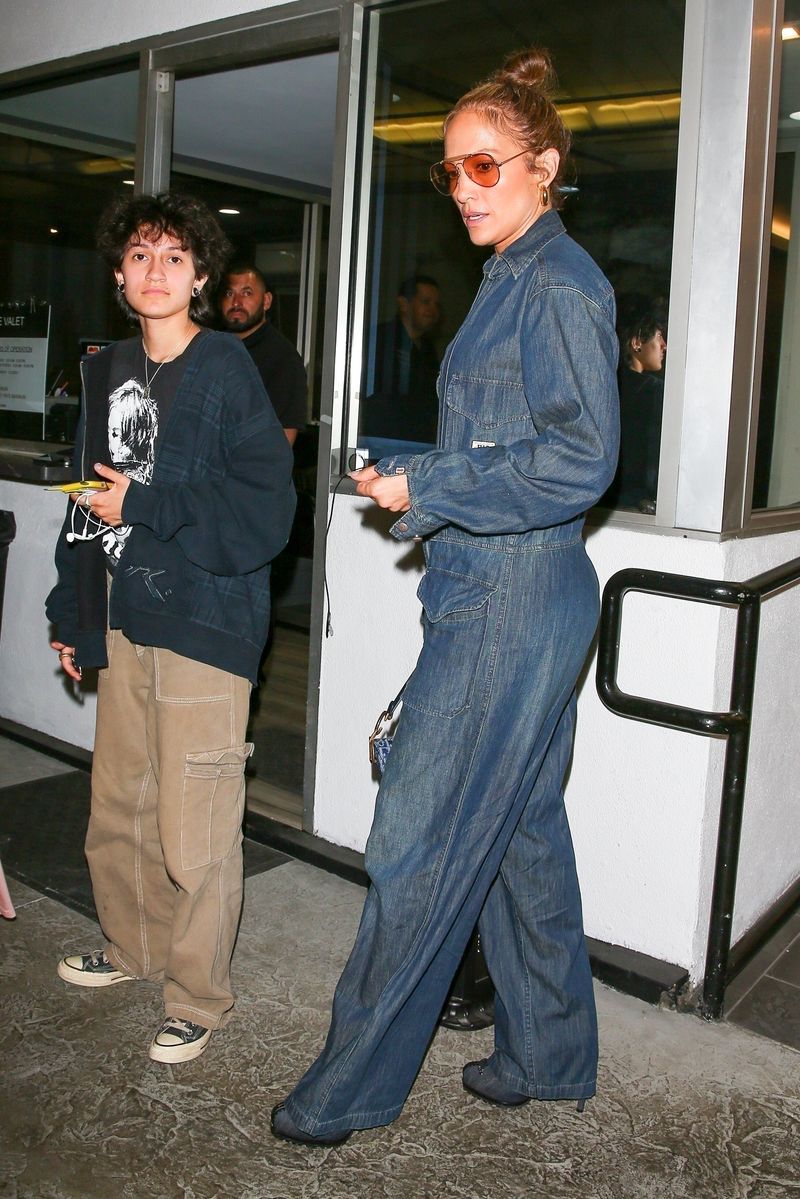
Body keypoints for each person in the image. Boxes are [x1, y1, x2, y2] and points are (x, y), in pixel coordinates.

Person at [271, 46, 619, 1145]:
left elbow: (579, 459)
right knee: (520, 830)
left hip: (512, 594)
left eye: (483, 166)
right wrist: (413, 476)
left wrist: (434, 483)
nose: (464, 187)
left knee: (414, 840)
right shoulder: (511, 279)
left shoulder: (558, 283)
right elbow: (501, 442)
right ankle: (549, 1053)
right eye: (448, 172)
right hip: (509, 584)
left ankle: (351, 1086)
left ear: (541, 164)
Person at [46, 192, 295, 1064]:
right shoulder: (105, 367)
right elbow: (87, 496)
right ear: (120, 274)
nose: (157, 271)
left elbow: (268, 508)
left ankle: (197, 993)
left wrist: (146, 502)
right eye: (141, 256)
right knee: (120, 805)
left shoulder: (227, 369)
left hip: (204, 620)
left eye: (175, 258)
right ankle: (133, 948)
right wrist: (69, 609)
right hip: (123, 621)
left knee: (195, 823)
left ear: (201, 276)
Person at [218, 264, 307, 445]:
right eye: (229, 294)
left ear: (266, 301)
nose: (236, 302)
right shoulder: (210, 347)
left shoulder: (283, 359)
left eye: (247, 293)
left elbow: (282, 444)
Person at [361, 275, 442, 446]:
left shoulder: (428, 349)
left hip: (418, 443)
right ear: (404, 304)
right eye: (426, 302)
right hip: (382, 443)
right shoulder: (381, 339)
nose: (432, 310)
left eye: (436, 304)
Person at [601, 300, 666, 512]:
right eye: (659, 337)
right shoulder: (652, 390)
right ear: (637, 342)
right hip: (638, 500)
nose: (664, 345)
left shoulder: (605, 384)